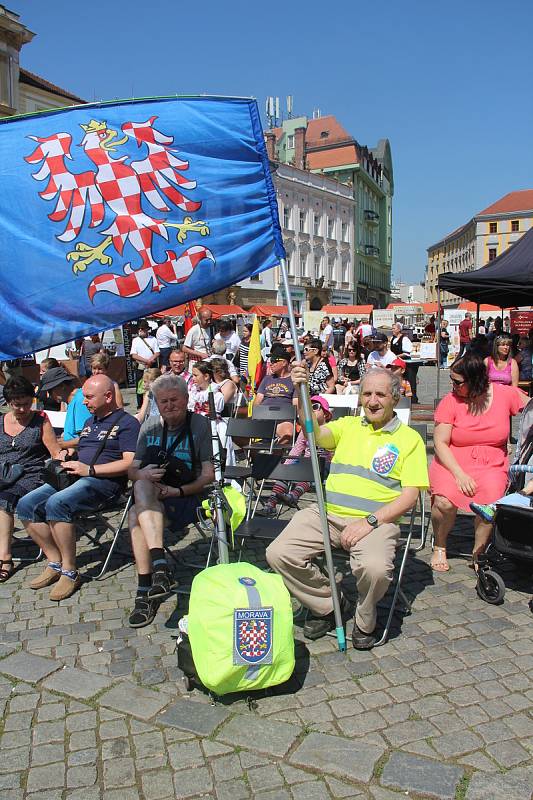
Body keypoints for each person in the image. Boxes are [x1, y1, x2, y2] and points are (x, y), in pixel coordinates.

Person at [266, 368, 429, 649]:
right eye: (367, 393)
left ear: (395, 398)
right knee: (279, 554)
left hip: (377, 522)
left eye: (380, 394)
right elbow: (313, 432)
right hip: (327, 515)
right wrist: (301, 392)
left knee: (375, 569)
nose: (373, 401)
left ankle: (366, 618)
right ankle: (330, 604)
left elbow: (409, 497)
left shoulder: (409, 439)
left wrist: (369, 522)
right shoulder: (348, 426)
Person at [17, 375, 140, 600]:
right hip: (76, 476)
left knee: (57, 503)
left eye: (90, 397)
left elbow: (130, 462)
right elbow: (83, 449)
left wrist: (90, 470)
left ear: (109, 396)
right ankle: (55, 561)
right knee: (26, 504)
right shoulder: (90, 422)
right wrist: (67, 454)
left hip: (105, 483)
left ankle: (70, 571)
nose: (84, 402)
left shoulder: (127, 423)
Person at [127, 374, 214, 626]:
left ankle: (145, 590)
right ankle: (160, 570)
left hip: (186, 496)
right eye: (163, 401)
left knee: (135, 514)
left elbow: (208, 475)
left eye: (174, 400)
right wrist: (142, 473)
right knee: (141, 484)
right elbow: (132, 471)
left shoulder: (199, 424)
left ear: (186, 399)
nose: (169, 405)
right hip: (154, 497)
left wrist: (177, 491)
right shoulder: (150, 425)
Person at [429, 353, 526, 572]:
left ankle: (478, 552)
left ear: (475, 380)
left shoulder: (503, 394)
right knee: (443, 502)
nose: (452, 386)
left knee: (489, 505)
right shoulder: (450, 401)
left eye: (457, 382)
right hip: (452, 461)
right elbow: (440, 443)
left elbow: (529, 408)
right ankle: (440, 545)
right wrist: (459, 474)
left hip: (492, 463)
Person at [0, 377, 62, 582]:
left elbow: (54, 451)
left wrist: (65, 457)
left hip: (31, 473)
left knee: (4, 499)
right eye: (17, 405)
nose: (23, 409)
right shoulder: (1, 422)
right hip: (4, 473)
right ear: (8, 403)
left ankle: (5, 558)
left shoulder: (40, 420)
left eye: (27, 403)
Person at [258, 395, 334, 517]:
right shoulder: (306, 430)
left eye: (315, 407)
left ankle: (294, 495)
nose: (310, 410)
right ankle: (270, 505)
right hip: (306, 463)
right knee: (286, 472)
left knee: (311, 471)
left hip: (326, 465)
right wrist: (287, 467)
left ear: (326, 414)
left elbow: (334, 453)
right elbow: (297, 449)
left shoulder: (332, 429)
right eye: (308, 408)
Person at [254, 343, 298, 444]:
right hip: (264, 417)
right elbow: (257, 401)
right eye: (270, 361)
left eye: (274, 361)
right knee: (237, 430)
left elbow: (296, 405)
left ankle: (272, 455)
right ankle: (263, 456)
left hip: (283, 418)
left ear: (284, 363)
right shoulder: (266, 379)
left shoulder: (294, 381)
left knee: (288, 434)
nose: (271, 364)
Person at [39, 366, 91, 450]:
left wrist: (56, 445)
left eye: (50, 391)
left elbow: (87, 438)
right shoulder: (72, 402)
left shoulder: (80, 401)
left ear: (62, 386)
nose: (50, 395)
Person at [130, 321, 160, 409]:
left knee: (154, 385)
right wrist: (146, 361)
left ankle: (155, 404)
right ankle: (140, 406)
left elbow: (157, 352)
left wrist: (150, 360)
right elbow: (134, 355)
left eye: (142, 328)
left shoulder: (153, 339)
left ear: (147, 329)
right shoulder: (135, 340)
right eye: (139, 328)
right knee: (140, 386)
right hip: (141, 366)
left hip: (152, 366)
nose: (140, 330)